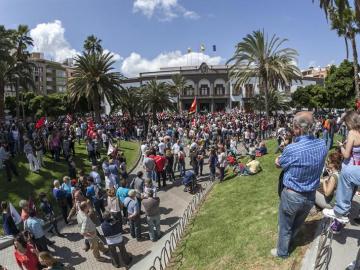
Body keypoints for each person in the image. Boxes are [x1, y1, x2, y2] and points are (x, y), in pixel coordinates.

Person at [272, 111, 327, 258]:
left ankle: (282, 252)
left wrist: (279, 159)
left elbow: (278, 163)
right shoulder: (322, 144)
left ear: (297, 128)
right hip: (310, 195)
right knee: (297, 223)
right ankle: (292, 241)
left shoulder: (291, 149)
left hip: (292, 195)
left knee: (285, 226)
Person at [323, 111, 360, 223]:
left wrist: (341, 146)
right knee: (349, 191)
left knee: (344, 181)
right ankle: (341, 215)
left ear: (349, 121)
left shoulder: (352, 133)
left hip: (351, 167)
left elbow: (346, 154)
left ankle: (340, 212)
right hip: (357, 166)